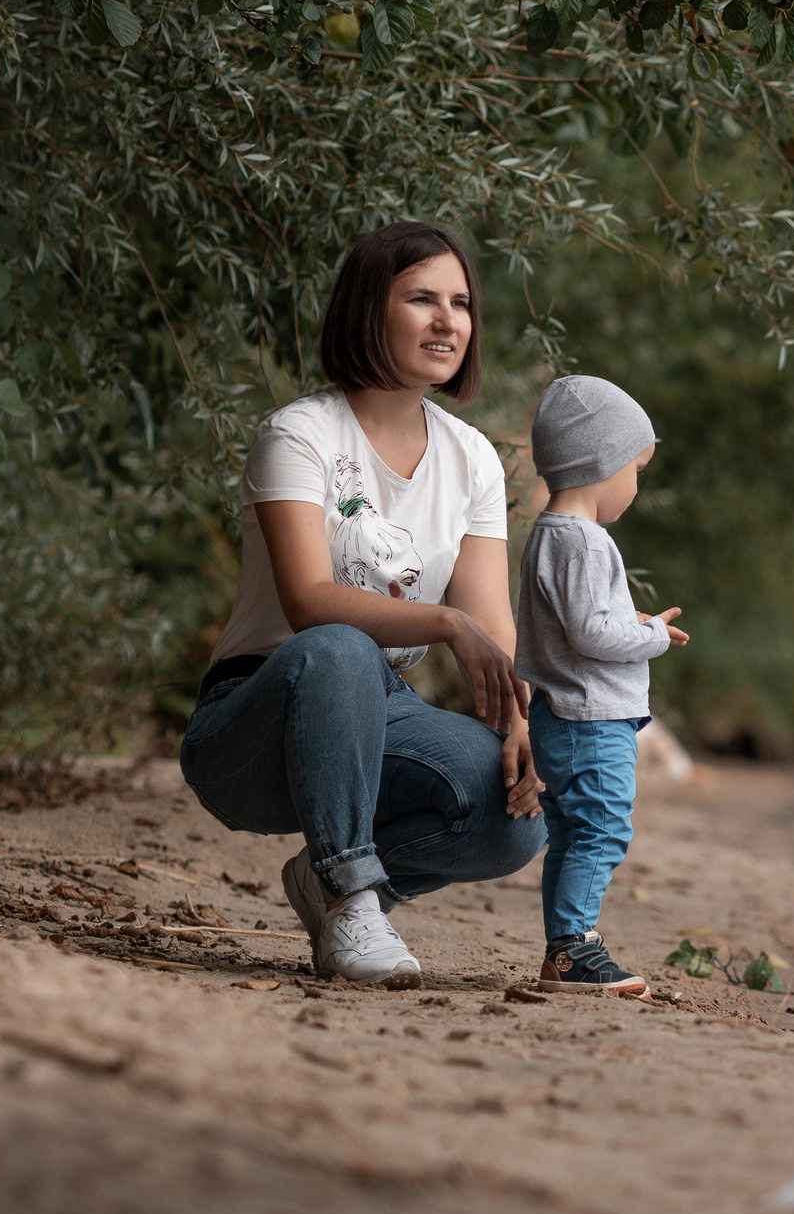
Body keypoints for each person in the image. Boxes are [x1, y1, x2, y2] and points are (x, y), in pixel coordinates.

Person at [178, 222, 546, 990]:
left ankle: (341, 884)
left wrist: (520, 724)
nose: (449, 320)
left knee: (512, 815)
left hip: (373, 714)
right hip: (253, 720)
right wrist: (446, 624)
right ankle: (348, 896)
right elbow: (311, 601)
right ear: (367, 311)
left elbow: (493, 622)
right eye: (422, 299)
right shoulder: (298, 435)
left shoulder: (472, 456)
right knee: (341, 645)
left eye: (462, 303)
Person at [514, 376, 689, 995]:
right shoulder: (584, 541)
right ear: (603, 463)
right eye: (637, 468)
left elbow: (579, 626)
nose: (637, 485)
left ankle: (565, 948)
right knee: (603, 829)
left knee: (571, 833)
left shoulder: (552, 534)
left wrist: (634, 622)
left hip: (562, 715)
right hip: (591, 721)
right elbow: (592, 634)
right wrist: (653, 639)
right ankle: (572, 950)